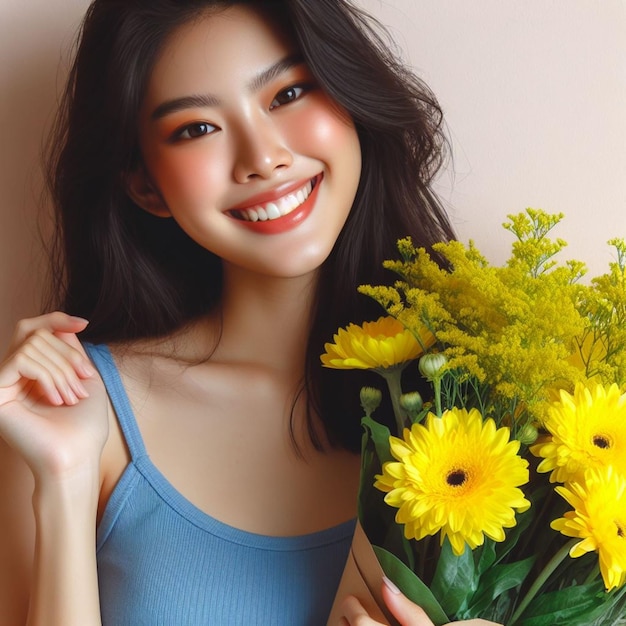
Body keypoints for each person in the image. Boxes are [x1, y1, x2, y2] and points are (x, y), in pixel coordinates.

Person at [0, 0, 500, 624]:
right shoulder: (76, 414)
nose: (262, 157)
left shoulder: (493, 404)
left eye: (289, 92)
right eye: (196, 128)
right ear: (145, 184)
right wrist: (63, 481)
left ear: (350, 97)